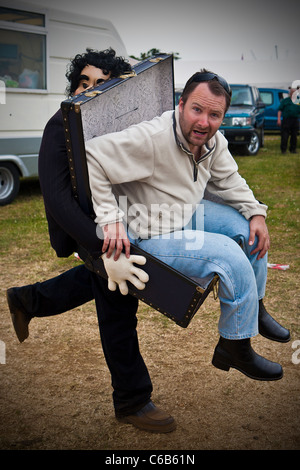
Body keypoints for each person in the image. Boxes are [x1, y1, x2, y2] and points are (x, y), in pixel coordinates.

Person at [6, 48, 176, 433]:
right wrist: (105, 247)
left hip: (116, 225)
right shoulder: (58, 125)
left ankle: (28, 299)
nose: (90, 90)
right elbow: (58, 201)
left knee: (104, 286)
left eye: (101, 83)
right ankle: (132, 400)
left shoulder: (113, 123)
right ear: (73, 86)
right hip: (89, 232)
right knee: (118, 308)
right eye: (83, 82)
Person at [86, 69, 291, 383]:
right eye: (197, 109)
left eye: (214, 114)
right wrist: (111, 220)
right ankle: (234, 346)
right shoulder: (152, 138)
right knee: (228, 254)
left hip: (181, 212)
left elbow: (231, 180)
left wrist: (256, 214)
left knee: (246, 229)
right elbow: (92, 156)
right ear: (181, 105)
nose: (204, 122)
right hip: (150, 231)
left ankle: (256, 308)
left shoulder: (212, 140)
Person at [277, 80, 300, 154]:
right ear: (290, 93)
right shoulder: (285, 101)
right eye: (291, 92)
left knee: (294, 135)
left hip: (295, 120)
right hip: (286, 120)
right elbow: (280, 110)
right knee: (285, 135)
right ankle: (283, 150)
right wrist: (279, 119)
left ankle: (293, 149)